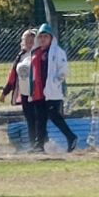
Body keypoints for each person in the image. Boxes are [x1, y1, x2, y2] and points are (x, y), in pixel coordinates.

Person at [29, 23, 78, 153]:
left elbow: (63, 70)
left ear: (51, 38)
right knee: (40, 118)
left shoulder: (57, 52)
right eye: (41, 36)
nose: (43, 39)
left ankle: (71, 136)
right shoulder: (36, 52)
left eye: (46, 36)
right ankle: (39, 145)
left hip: (51, 91)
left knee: (54, 115)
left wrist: (55, 82)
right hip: (38, 91)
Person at [0, 29, 38, 149]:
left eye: (32, 41)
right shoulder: (20, 56)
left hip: (38, 93)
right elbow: (13, 76)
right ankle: (33, 143)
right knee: (30, 119)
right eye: (26, 41)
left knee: (39, 118)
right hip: (25, 93)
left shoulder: (39, 54)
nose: (29, 43)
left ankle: (42, 141)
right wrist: (5, 92)